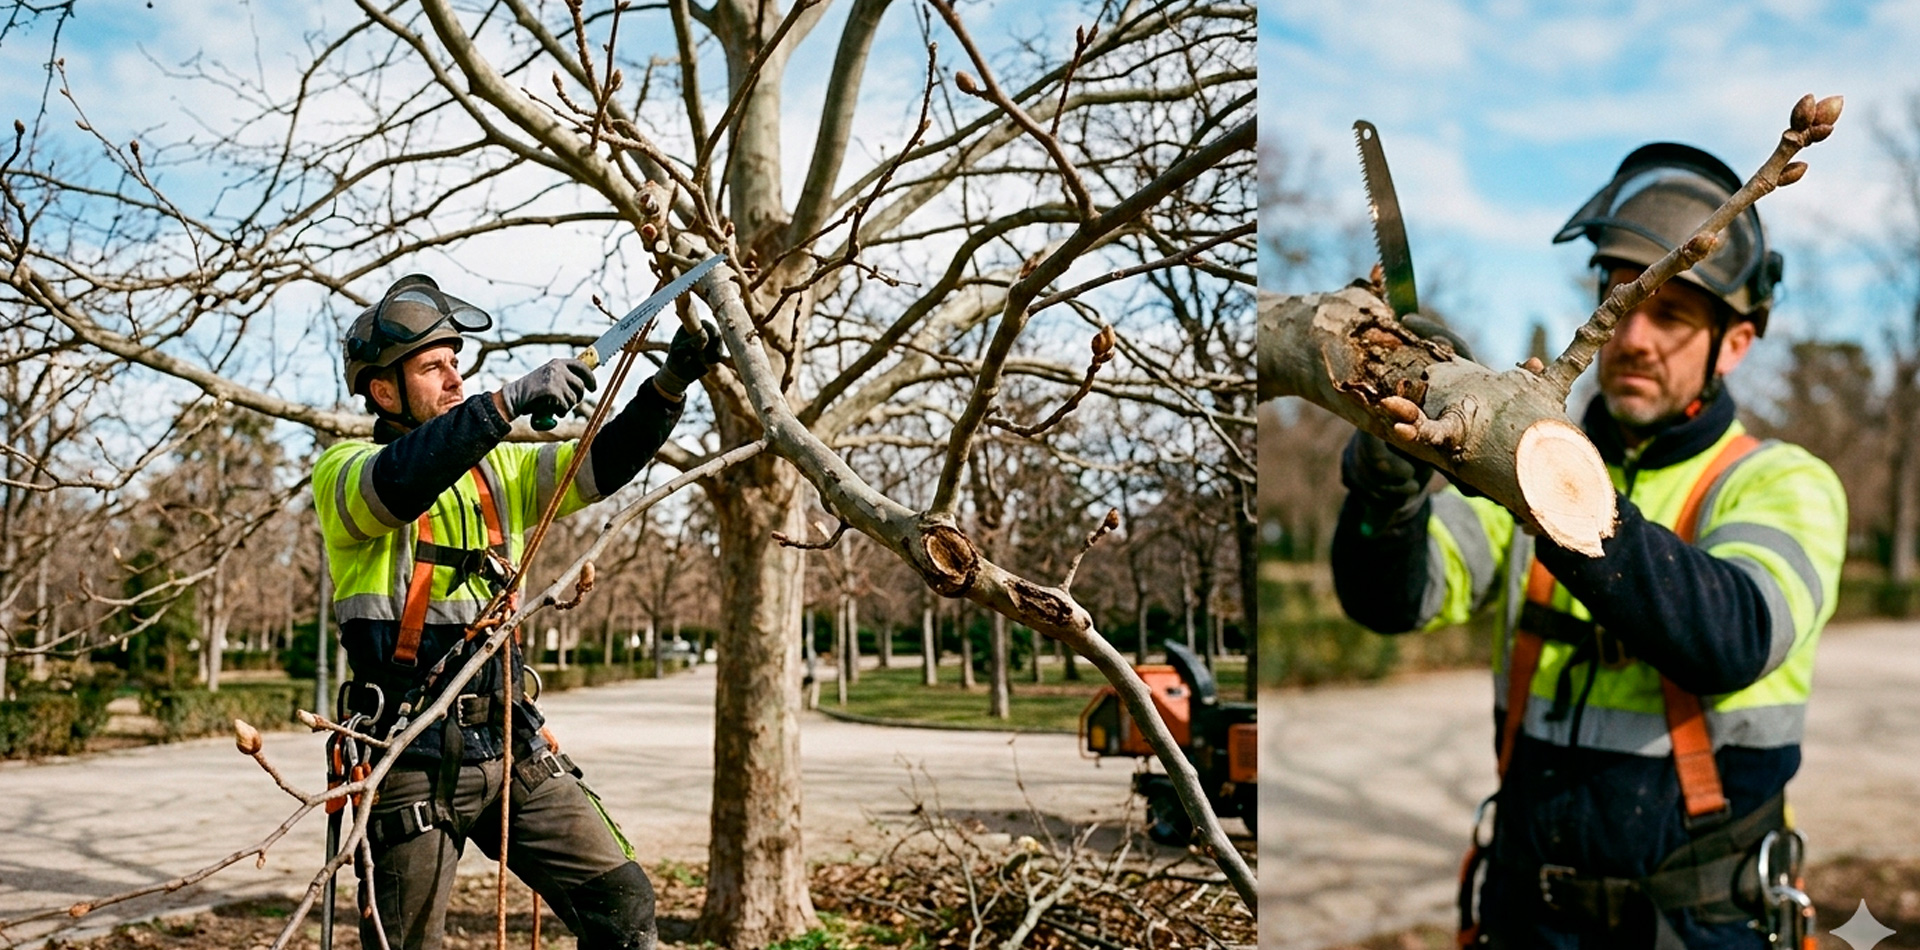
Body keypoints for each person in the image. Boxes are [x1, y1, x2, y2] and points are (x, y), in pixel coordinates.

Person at [1330, 144, 1846, 948]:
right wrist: (1386, 489)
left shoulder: (1783, 483)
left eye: (1671, 313)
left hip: (1695, 924)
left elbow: (1733, 635)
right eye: (1621, 301)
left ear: (1734, 343)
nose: (1634, 337)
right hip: (1525, 914)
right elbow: (1394, 600)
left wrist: (1554, 482)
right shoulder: (1520, 469)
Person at [313, 273, 723, 950]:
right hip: (406, 756)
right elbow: (400, 484)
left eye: (455, 364)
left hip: (509, 742)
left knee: (623, 905)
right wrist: (505, 403)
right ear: (383, 391)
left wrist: (666, 389)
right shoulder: (345, 471)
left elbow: (596, 466)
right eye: (431, 368)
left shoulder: (496, 472)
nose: (453, 380)